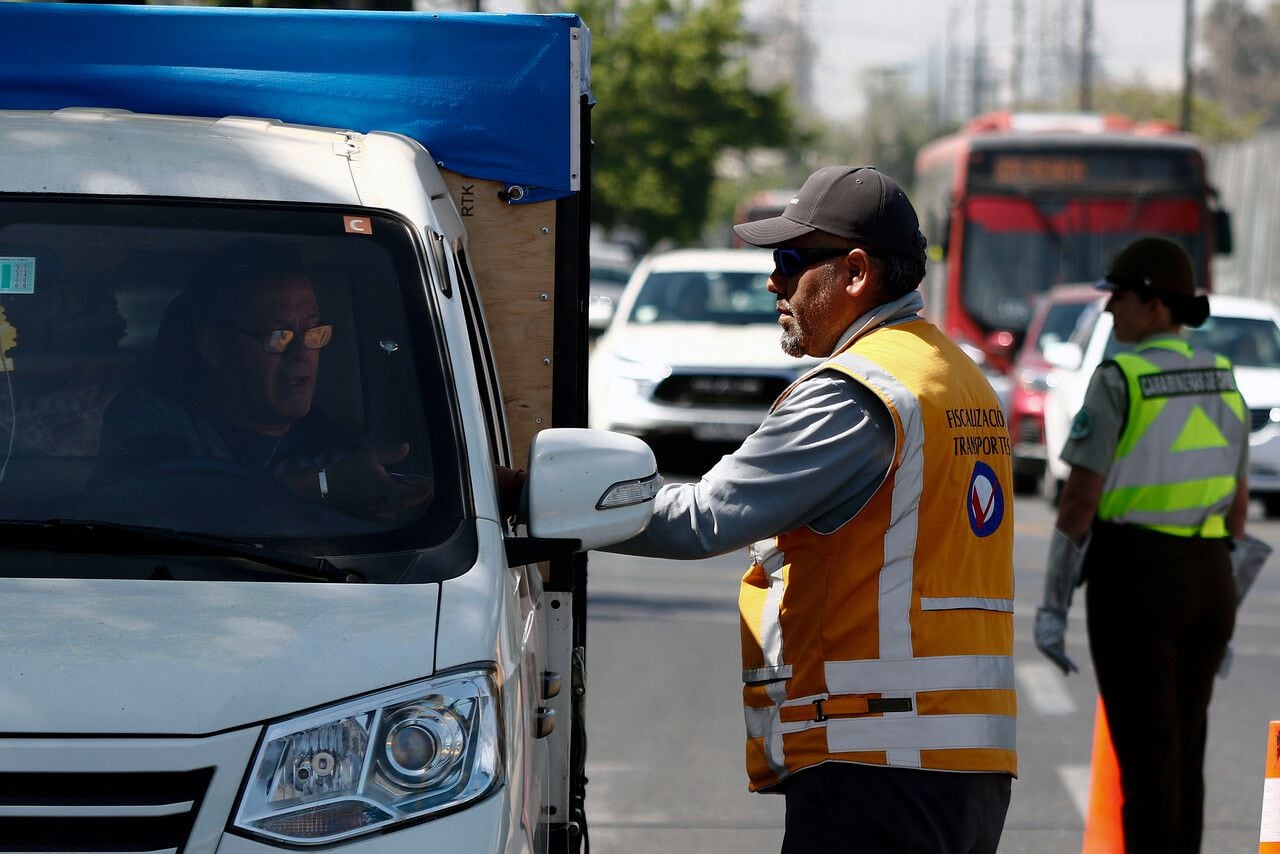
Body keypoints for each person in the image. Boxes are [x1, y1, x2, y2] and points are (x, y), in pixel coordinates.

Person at [605, 166, 1017, 852]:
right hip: (965, 769)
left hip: (875, 764)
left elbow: (705, 516)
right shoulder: (958, 376)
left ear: (855, 272)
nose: (773, 283)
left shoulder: (860, 389)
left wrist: (542, 506)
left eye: (790, 262)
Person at [1034, 236, 1248, 853]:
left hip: (1139, 581)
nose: (1108, 311)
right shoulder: (1223, 378)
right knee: (1186, 747)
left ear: (1155, 305)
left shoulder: (1120, 377)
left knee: (1146, 756)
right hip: (1211, 579)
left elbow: (1079, 501)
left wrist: (1052, 608)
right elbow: (1236, 509)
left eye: (1118, 298)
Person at [94, 259, 431, 522]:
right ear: (213, 346)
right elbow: (159, 505)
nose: (301, 353)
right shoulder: (149, 417)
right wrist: (324, 485)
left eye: (313, 332)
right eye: (277, 335)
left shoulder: (329, 445)